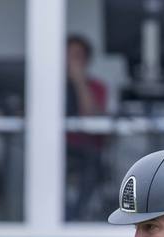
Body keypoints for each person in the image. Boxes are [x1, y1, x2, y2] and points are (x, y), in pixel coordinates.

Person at [64, 34, 110, 221]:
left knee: (91, 166)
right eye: (67, 56)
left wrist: (79, 81)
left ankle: (76, 218)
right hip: (57, 150)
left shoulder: (96, 87)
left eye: (77, 56)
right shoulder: (49, 85)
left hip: (86, 150)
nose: (71, 61)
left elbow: (90, 115)